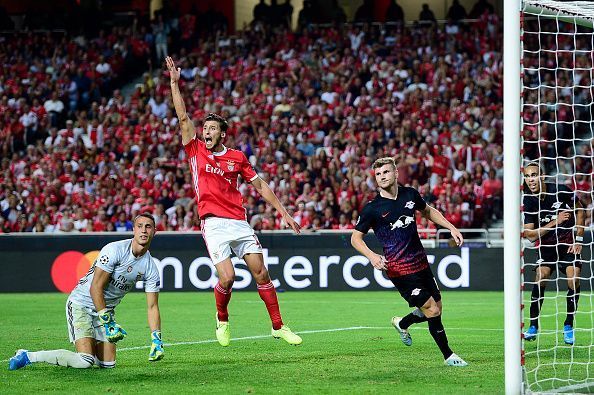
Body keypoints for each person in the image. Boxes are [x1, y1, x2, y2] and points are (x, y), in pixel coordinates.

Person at [165, 56, 302, 346]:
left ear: (223, 134)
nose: (207, 131)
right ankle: (222, 319)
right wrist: (174, 83)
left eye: (212, 129)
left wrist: (284, 213)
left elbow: (261, 186)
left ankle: (278, 326)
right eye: (205, 128)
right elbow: (182, 117)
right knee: (227, 279)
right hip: (212, 223)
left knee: (261, 273)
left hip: (238, 222)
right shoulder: (195, 150)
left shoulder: (237, 157)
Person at [350, 157, 468, 367]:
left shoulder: (410, 194)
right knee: (432, 310)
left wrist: (451, 227)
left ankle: (402, 323)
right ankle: (449, 356)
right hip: (399, 269)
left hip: (421, 263)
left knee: (438, 307)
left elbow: (428, 211)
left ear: (396, 173)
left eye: (386, 172)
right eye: (378, 174)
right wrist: (372, 256)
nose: (382, 176)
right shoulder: (372, 208)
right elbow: (355, 238)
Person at [8, 214, 163, 370]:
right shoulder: (114, 250)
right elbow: (95, 287)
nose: (144, 230)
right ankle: (28, 356)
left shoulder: (150, 268)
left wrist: (156, 338)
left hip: (105, 310)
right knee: (85, 361)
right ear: (133, 230)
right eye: (140, 226)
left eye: (148, 226)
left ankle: (89, 346)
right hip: (81, 303)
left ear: (154, 231)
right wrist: (108, 322)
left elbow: (152, 307)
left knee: (108, 365)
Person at [522, 161, 585, 345]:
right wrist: (554, 222)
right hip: (547, 247)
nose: (530, 179)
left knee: (573, 279)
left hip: (567, 244)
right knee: (541, 276)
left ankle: (568, 325)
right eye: (527, 176)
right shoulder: (529, 200)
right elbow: (530, 236)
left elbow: (580, 210)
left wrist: (579, 238)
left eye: (533, 175)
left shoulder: (560, 190)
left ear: (541, 176)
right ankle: (533, 326)